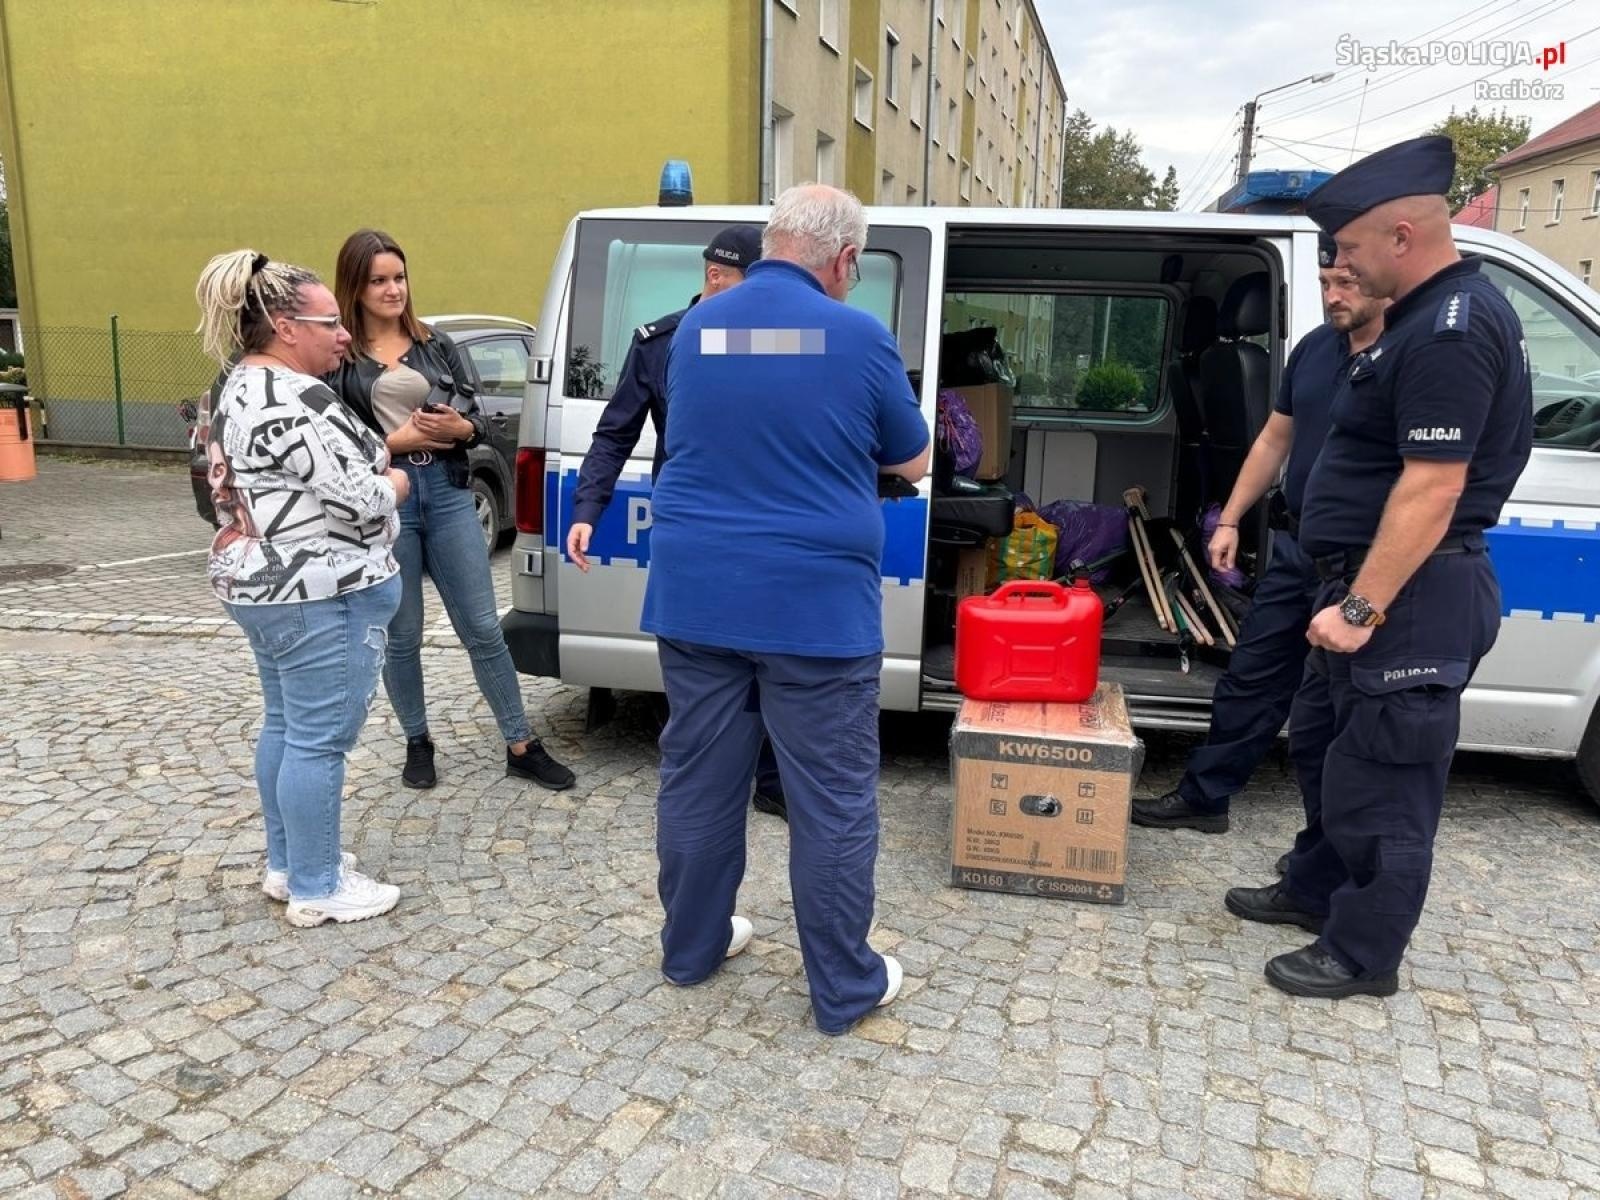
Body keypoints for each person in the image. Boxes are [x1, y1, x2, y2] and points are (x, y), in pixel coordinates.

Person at [1224, 135, 1533, 998]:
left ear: (1402, 234)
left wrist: (1360, 610)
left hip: (1406, 597)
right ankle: (1314, 888)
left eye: (1351, 249)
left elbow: (1433, 490)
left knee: (1385, 785)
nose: (1344, 268)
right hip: (1359, 584)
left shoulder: (1450, 329)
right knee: (1328, 753)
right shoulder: (1415, 322)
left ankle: (1363, 954)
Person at [640, 184, 930, 1034]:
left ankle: (691, 950)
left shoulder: (701, 325)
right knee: (832, 799)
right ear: (845, 260)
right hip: (813, 608)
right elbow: (911, 459)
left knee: (697, 779)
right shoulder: (855, 333)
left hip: (697, 597)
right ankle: (843, 989)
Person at [1133, 238, 1388, 835]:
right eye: (1324, 282)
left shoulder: (1409, 356)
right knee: (1251, 677)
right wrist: (1229, 519)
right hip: (1299, 551)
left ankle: (1326, 854)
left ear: (1382, 275)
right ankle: (1204, 799)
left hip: (1366, 564)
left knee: (1341, 713)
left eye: (1346, 282)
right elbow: (1275, 440)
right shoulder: (1315, 350)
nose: (1332, 296)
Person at [195, 249, 408, 928]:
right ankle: (318, 885)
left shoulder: (236, 386)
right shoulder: (292, 398)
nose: (345, 333)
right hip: (320, 590)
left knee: (287, 726)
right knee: (319, 739)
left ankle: (289, 864)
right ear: (287, 327)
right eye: (329, 322)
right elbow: (361, 498)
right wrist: (398, 481)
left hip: (263, 586)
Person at [329, 229, 574, 793]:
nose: (394, 290)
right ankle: (418, 741)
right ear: (355, 287)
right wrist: (396, 440)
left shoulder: (433, 343)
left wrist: (459, 428)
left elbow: (476, 418)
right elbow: (334, 448)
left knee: (484, 627)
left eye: (399, 277)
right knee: (403, 633)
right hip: (388, 498)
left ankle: (520, 742)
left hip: (447, 487)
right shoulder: (339, 360)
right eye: (379, 280)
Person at [567, 226, 789, 821]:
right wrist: (588, 510)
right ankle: (704, 786)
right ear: (717, 276)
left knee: (768, 652)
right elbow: (615, 434)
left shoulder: (776, 340)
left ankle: (770, 780)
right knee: (699, 661)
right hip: (690, 527)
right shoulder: (660, 343)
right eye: (757, 280)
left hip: (761, 523)